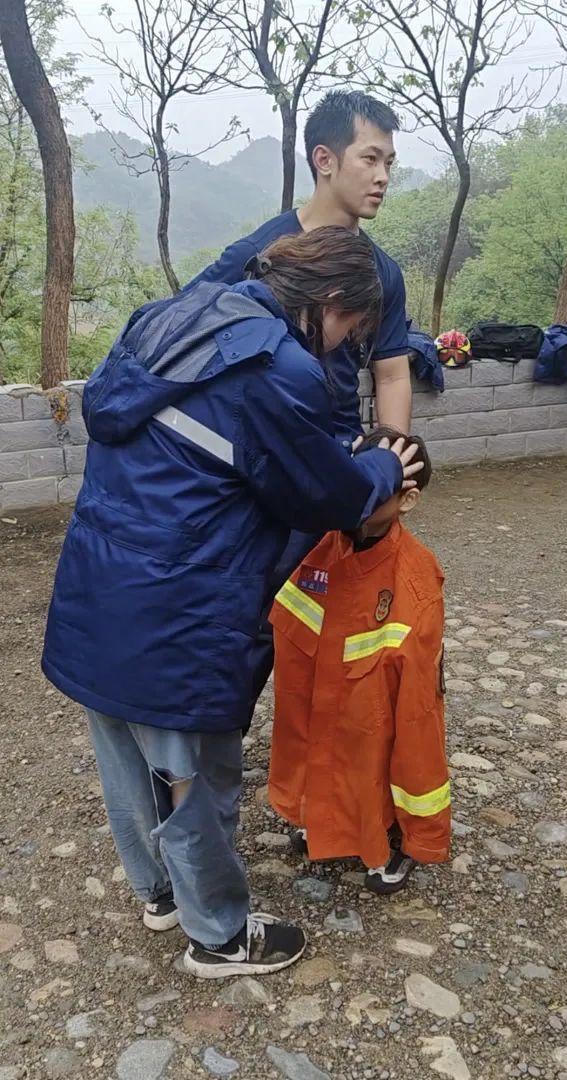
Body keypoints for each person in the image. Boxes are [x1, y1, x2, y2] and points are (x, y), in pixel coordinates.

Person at [42, 228, 424, 980]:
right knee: (196, 776)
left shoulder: (171, 316)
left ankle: (158, 894)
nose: (346, 347)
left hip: (98, 584)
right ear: (332, 303)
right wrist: (383, 465)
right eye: (353, 330)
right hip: (180, 608)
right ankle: (216, 934)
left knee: (122, 747)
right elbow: (321, 493)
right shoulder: (277, 366)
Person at [187, 89, 412, 725]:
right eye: (371, 158)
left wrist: (391, 466)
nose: (383, 177)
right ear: (324, 159)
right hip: (263, 462)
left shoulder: (381, 272)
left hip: (341, 462)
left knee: (347, 624)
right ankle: (213, 748)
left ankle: (331, 779)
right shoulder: (264, 252)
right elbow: (195, 326)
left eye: (390, 162)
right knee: (254, 619)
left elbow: (391, 371)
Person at [268, 426, 451, 895]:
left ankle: (393, 840)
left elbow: (418, 719)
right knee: (319, 742)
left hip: (373, 710)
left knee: (381, 752)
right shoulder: (320, 545)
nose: (358, 500)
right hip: (323, 696)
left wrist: (425, 833)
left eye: (376, 490)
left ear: (406, 500)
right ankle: (322, 817)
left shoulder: (413, 580)